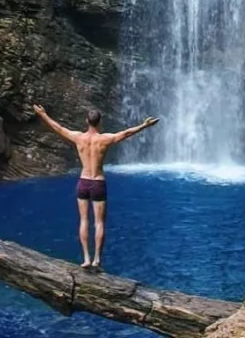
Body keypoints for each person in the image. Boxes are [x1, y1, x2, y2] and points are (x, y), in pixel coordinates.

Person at [33, 104, 159, 271]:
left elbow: (59, 128)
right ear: (100, 122)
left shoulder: (78, 138)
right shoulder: (105, 139)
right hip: (98, 182)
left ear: (87, 121)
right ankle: (97, 259)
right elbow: (127, 133)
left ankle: (86, 258)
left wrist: (43, 115)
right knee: (99, 223)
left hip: (83, 182)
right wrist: (144, 125)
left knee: (84, 220)